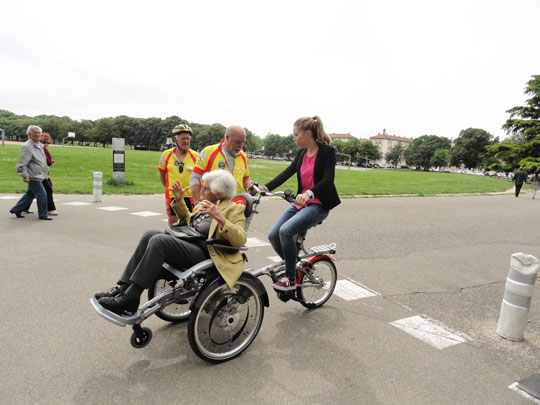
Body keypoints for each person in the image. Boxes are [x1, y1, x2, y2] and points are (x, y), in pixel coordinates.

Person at [94, 170, 247, 315]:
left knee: (159, 241)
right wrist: (179, 200)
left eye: (205, 189)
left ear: (218, 193)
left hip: (210, 253)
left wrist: (220, 218)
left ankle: (131, 297)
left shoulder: (234, 209)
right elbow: (188, 222)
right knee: (150, 234)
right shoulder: (204, 204)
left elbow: (240, 239)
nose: (201, 192)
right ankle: (123, 289)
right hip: (191, 243)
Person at [257, 116, 340, 291]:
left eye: (296, 134)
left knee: (286, 231)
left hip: (318, 205)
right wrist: (265, 188)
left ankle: (291, 278)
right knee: (274, 235)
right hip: (301, 204)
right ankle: (295, 266)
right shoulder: (301, 153)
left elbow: (328, 179)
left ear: (307, 134)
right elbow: (287, 172)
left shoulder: (327, 152)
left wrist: (309, 193)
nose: (293, 138)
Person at [191, 125, 250, 204]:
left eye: (243, 142)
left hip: (234, 206)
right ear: (227, 137)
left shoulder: (243, 156)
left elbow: (246, 181)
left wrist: (255, 187)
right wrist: (196, 201)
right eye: (238, 142)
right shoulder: (209, 151)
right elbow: (195, 177)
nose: (241, 146)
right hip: (211, 205)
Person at [158, 124, 199, 225]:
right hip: (172, 194)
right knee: (172, 221)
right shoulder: (166, 155)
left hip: (190, 195)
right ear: (175, 140)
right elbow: (162, 173)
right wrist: (168, 187)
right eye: (183, 138)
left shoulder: (196, 156)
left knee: (190, 222)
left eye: (188, 138)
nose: (186, 141)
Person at [9, 125, 52, 220]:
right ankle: (43, 214)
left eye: (38, 133)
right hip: (33, 175)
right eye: (34, 133)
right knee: (42, 194)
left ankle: (16, 209)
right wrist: (25, 176)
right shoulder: (27, 146)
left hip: (40, 174)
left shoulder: (39, 145)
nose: (37, 134)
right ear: (29, 134)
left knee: (30, 194)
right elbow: (22, 163)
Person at [23, 132, 58, 216]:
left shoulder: (43, 149)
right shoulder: (37, 149)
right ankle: (49, 209)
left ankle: (22, 207)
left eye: (48, 142)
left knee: (31, 193)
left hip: (41, 173)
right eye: (43, 142)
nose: (46, 144)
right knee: (48, 190)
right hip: (37, 174)